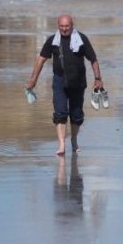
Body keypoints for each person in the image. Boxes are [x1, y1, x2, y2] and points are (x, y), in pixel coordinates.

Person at [26, 14, 104, 156]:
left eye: (66, 26)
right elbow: (41, 60)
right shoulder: (52, 41)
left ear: (72, 25)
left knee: (76, 115)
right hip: (59, 80)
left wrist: (98, 78)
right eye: (61, 26)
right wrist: (33, 80)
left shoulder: (81, 40)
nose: (64, 29)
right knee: (60, 113)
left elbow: (93, 59)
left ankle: (73, 140)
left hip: (78, 81)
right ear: (58, 26)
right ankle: (61, 144)